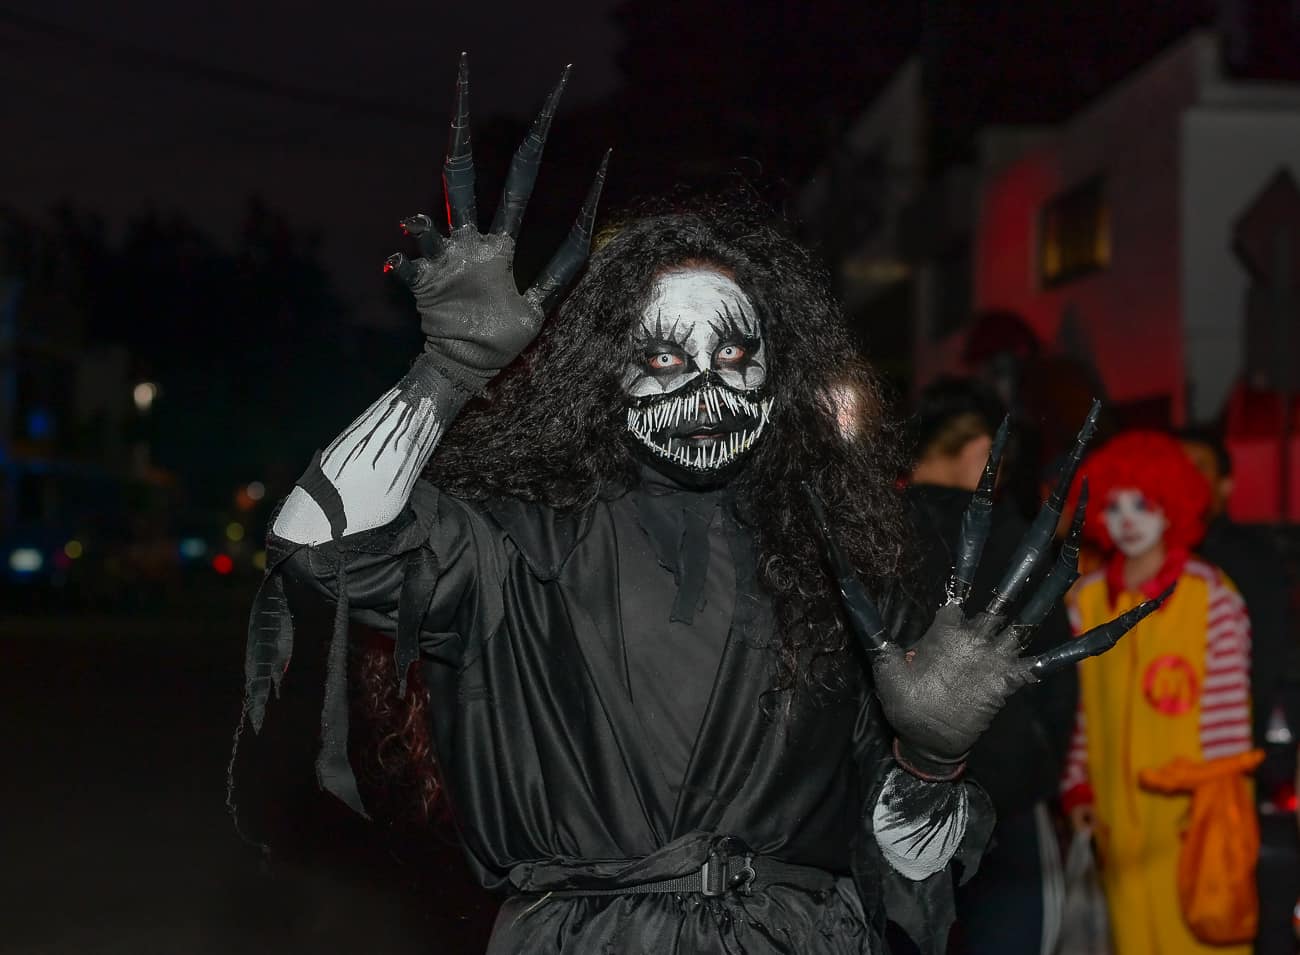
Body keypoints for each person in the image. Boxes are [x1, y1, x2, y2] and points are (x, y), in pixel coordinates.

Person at [235, 59, 1154, 955]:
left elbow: (911, 860)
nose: (707, 387)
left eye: (735, 359)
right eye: (668, 359)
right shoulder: (516, 542)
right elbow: (317, 544)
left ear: (775, 370)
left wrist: (932, 760)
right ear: (608, 368)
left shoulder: (839, 563)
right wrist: (449, 371)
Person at [1063, 430, 1256, 955]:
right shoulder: (1087, 601)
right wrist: (1078, 784)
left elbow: (1228, 723)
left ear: (1171, 509)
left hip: (1188, 826)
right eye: (1115, 505)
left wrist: (1217, 814)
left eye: (1141, 504)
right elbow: (1082, 706)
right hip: (1116, 827)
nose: (1127, 519)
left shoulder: (1210, 596)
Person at [902, 378, 1076, 955]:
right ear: (981, 452)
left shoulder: (870, 530)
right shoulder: (1010, 538)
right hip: (999, 789)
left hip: (891, 793)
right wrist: (1041, 760)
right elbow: (1056, 665)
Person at [1178, 426, 1299, 955]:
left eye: (1199, 468)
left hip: (1230, 759)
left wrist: (1247, 753)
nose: (1187, 480)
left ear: (1226, 484)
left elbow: (1269, 658)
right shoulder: (1146, 556)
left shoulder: (1249, 558)